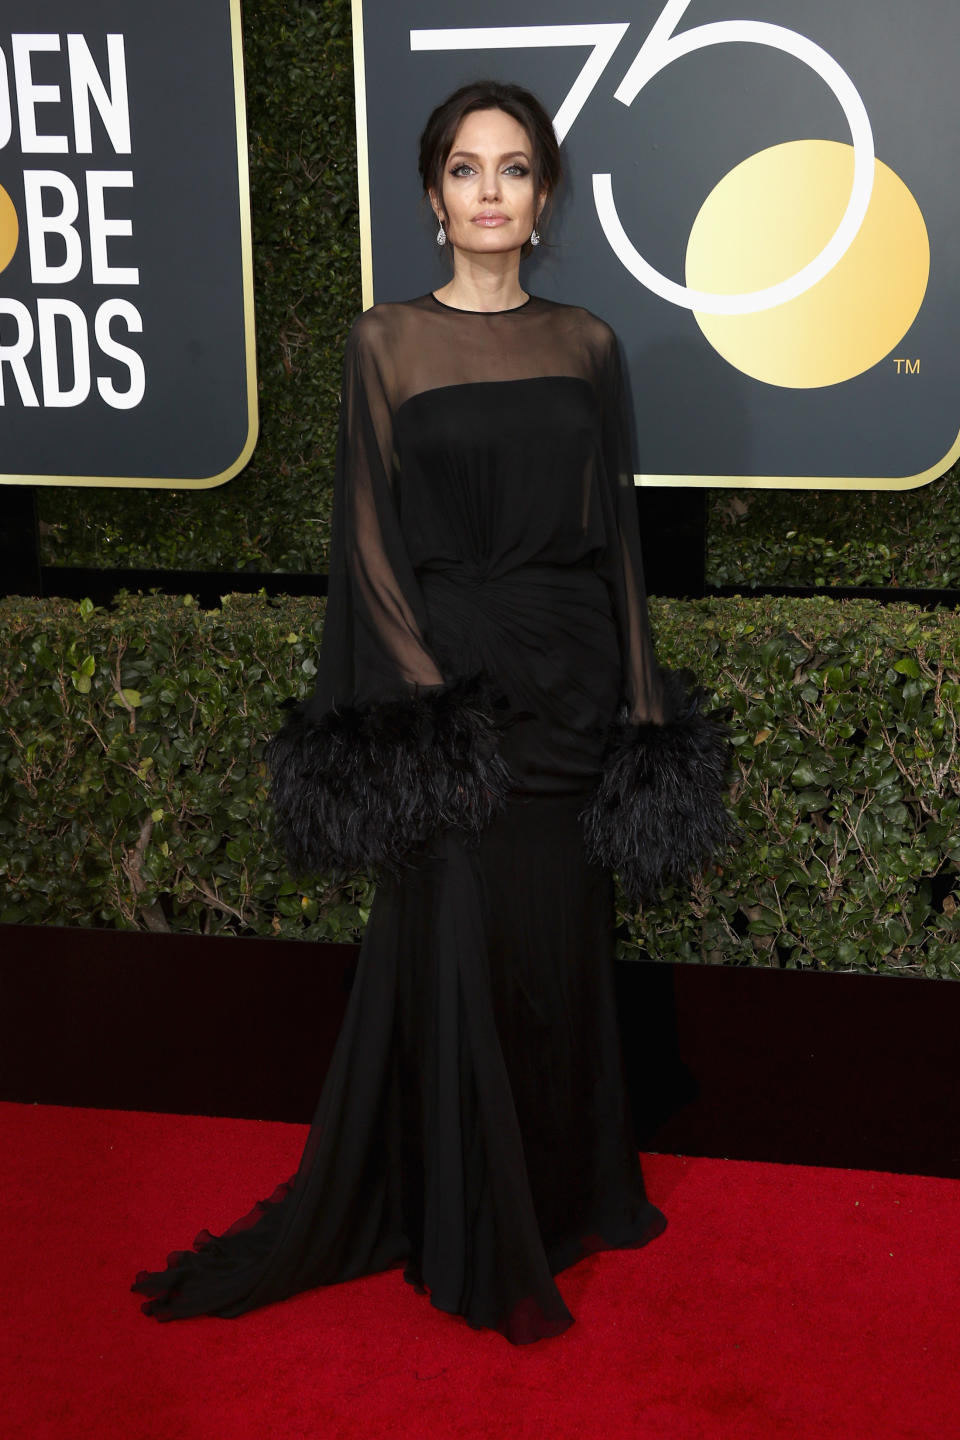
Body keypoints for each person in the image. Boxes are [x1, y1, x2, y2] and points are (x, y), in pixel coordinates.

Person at [131, 79, 729, 1346]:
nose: (492, 192)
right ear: (433, 195)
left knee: (559, 954)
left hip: (571, 685)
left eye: (515, 169)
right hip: (457, 694)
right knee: (460, 942)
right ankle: (468, 1220)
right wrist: (429, 706)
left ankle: (570, 1195)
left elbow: (618, 541)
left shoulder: (588, 345)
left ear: (545, 194)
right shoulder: (385, 342)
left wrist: (633, 705)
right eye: (468, 170)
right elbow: (368, 543)